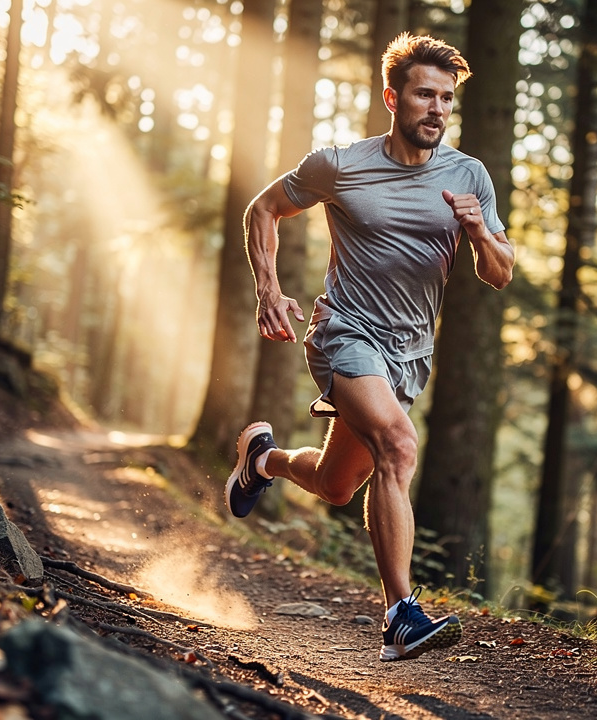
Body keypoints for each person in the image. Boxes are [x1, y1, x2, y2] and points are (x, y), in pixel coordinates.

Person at [225, 33, 514, 662]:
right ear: (392, 97)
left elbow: (499, 272)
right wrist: (267, 289)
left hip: (408, 357)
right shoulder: (339, 164)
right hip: (343, 333)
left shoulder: (469, 175)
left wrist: (478, 235)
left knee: (335, 485)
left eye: (446, 97)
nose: (436, 109)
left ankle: (262, 460)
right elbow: (263, 210)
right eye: (423, 95)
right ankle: (400, 615)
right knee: (399, 444)